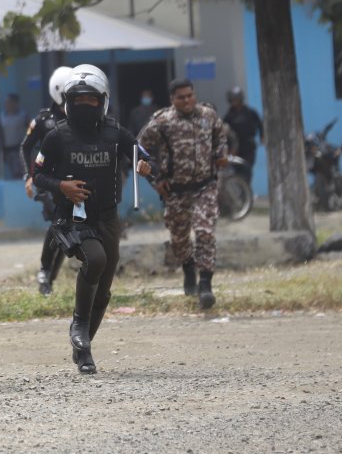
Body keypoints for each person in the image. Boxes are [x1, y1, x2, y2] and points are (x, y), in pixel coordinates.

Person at [32, 65, 153, 374]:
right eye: (77, 100)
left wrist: (146, 165)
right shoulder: (56, 137)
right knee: (95, 260)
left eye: (91, 100)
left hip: (108, 219)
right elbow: (38, 175)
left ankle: (83, 348)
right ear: (67, 102)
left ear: (103, 101)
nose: (84, 106)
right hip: (73, 219)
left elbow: (140, 153)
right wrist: (62, 187)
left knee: (105, 290)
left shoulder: (115, 133)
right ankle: (79, 327)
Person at [139, 79, 228, 310]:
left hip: (205, 186)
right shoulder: (162, 122)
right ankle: (188, 269)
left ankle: (205, 285)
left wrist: (221, 153)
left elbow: (221, 136)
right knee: (179, 239)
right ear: (172, 99)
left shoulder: (209, 115)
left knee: (204, 231)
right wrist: (154, 179)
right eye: (181, 97)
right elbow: (140, 149)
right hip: (176, 191)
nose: (187, 101)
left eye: (190, 95)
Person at [21, 66, 73, 296]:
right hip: (48, 181)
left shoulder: (80, 117)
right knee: (57, 225)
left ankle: (49, 279)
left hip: (73, 181)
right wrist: (29, 176)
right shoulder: (43, 120)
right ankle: (44, 272)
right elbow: (25, 148)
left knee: (67, 230)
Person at [222, 87, 263, 181]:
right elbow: (224, 131)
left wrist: (262, 135)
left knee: (247, 169)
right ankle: (241, 192)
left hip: (249, 146)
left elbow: (259, 123)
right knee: (238, 171)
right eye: (232, 100)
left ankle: (246, 189)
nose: (234, 102)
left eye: (236, 99)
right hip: (235, 148)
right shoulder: (229, 116)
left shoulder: (250, 112)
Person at [0, 93, 29, 179]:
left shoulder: (23, 115)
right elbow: (0, 133)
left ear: (15, 103)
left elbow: (30, 130)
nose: (7, 105)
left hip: (19, 148)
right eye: (6, 103)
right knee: (10, 174)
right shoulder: (2, 116)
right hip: (7, 150)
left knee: (20, 173)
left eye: (10, 102)